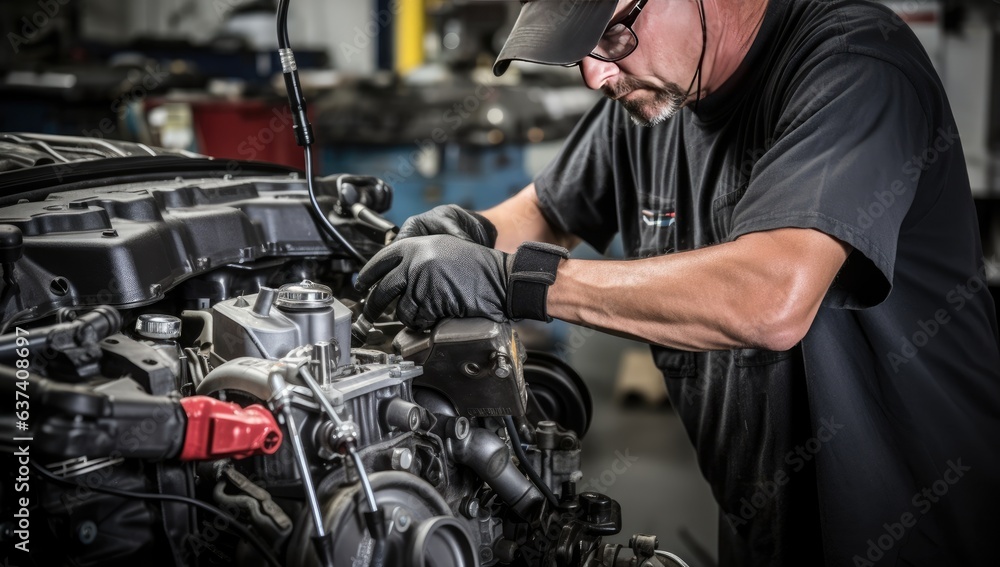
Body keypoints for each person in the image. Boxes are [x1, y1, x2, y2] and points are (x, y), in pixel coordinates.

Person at [356, 0, 1000, 565]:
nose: (595, 75)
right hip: (760, 512)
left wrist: (514, 281)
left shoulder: (855, 64)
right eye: (577, 52)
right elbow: (543, 216)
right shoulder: (647, 101)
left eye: (610, 35)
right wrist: (459, 235)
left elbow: (770, 301)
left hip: (915, 516)